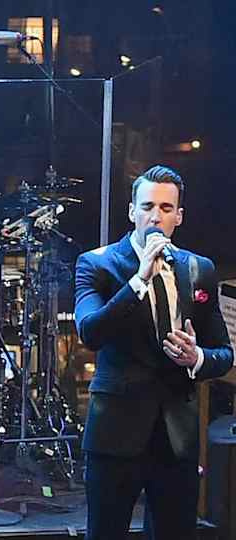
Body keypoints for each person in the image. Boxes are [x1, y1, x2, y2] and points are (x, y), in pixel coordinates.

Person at [74, 165, 233, 540]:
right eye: (147, 206)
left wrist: (196, 358)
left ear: (179, 216)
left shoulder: (199, 268)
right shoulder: (97, 263)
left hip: (177, 438)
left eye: (166, 208)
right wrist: (139, 279)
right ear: (132, 211)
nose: (156, 217)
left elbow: (224, 353)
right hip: (115, 433)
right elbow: (91, 332)